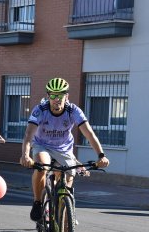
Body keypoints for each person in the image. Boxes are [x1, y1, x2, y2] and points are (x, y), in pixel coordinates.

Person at [19, 77, 110, 221]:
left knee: (67, 178)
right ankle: (37, 202)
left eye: (60, 95)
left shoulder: (73, 110)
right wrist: (25, 155)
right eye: (53, 95)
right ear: (48, 96)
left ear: (66, 96)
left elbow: (89, 133)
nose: (57, 99)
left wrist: (101, 155)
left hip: (64, 148)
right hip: (42, 145)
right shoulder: (40, 110)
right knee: (42, 166)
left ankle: (63, 211)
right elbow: (28, 134)